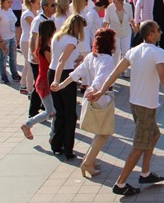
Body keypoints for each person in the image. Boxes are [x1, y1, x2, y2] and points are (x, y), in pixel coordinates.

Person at [86, 21, 164, 196]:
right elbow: (163, 76)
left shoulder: (134, 51)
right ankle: (121, 183)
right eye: (158, 30)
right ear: (151, 35)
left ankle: (145, 173)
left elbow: (115, 72)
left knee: (154, 135)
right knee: (139, 145)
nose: (161, 33)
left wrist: (101, 91)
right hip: (146, 105)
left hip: (136, 103)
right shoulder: (158, 52)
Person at [51, 28, 117, 178]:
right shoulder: (107, 59)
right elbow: (101, 78)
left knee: (99, 130)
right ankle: (87, 163)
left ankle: (91, 160)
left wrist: (61, 85)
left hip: (93, 96)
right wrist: (94, 90)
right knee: (104, 132)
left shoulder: (91, 57)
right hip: (102, 96)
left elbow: (76, 74)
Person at [49, 14, 87, 159]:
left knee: (60, 112)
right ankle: (68, 148)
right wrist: (57, 82)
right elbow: (62, 60)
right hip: (64, 75)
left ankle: (56, 144)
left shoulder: (57, 37)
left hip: (52, 72)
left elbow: (59, 58)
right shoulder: (72, 40)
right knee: (70, 114)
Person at [20, 20, 57, 141]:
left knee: (53, 111)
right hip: (44, 82)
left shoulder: (44, 45)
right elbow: (53, 63)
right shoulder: (46, 48)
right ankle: (28, 124)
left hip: (45, 81)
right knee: (51, 111)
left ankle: (52, 136)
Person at [0, 0, 20, 84]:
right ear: (2, 1)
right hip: (2, 38)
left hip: (11, 36)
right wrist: (1, 42)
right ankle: (4, 77)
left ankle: (15, 75)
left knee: (13, 57)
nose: (10, 4)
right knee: (3, 58)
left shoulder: (9, 10)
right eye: (8, 2)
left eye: (11, 2)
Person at [103, 0, 136, 67]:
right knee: (116, 52)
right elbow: (106, 21)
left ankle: (124, 68)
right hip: (114, 33)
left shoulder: (128, 7)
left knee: (126, 51)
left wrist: (134, 28)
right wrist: (103, 31)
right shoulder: (109, 8)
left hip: (126, 32)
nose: (113, 0)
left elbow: (131, 19)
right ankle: (115, 68)